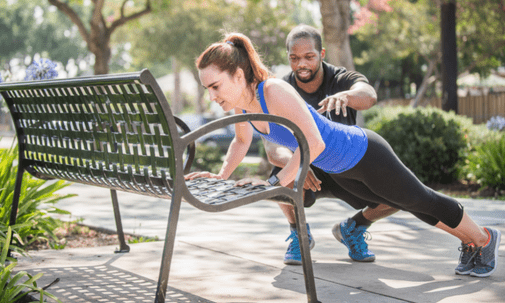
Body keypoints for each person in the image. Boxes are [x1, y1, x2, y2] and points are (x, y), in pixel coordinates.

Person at [185, 32, 501, 278]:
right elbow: (241, 142)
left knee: (421, 199)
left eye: (214, 86)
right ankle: (470, 241)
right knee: (410, 203)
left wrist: (279, 182)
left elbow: (314, 142)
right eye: (207, 89)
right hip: (340, 169)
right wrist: (221, 176)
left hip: (364, 153)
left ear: (239, 76)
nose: (210, 96)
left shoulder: (273, 91)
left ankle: (484, 239)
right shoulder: (243, 105)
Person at [265, 24, 399, 265]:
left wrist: (346, 96)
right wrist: (297, 166)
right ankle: (300, 234)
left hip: (346, 168)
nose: (301, 64)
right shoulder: (279, 90)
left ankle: (354, 228)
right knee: (277, 181)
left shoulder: (340, 78)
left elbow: (369, 95)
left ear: (322, 54)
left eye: (309, 57)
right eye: (294, 58)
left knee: (399, 194)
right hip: (307, 169)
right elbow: (272, 149)